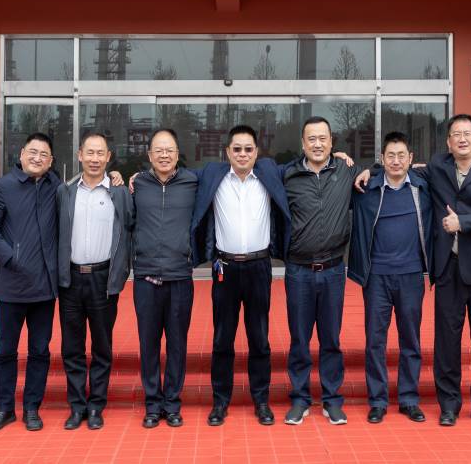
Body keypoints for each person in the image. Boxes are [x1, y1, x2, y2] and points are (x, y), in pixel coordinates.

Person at [356, 114, 471, 427]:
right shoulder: (438, 167)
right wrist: (370, 169)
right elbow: (399, 165)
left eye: (467, 134)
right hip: (447, 268)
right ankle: (449, 404)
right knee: (446, 341)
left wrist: (462, 222)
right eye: (456, 134)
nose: (462, 139)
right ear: (448, 142)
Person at [191, 125, 291, 427]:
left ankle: (261, 400)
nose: (243, 154)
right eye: (237, 149)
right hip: (225, 268)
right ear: (227, 152)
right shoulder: (213, 175)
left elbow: (303, 165)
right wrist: (132, 176)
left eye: (248, 149)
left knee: (259, 338)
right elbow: (175, 174)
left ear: (257, 152)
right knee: (222, 338)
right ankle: (220, 401)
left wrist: (339, 158)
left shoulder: (269, 173)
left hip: (259, 268)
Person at [279, 116, 362, 426]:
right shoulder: (287, 175)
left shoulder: (346, 170)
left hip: (332, 270)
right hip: (298, 270)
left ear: (332, 142)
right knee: (299, 340)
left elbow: (385, 171)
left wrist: (370, 168)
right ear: (303, 143)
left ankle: (331, 400)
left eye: (322, 138)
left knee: (331, 338)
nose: (317, 144)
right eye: (311, 139)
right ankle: (300, 399)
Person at [348, 131, 433, 425]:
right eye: (390, 156)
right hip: (376, 278)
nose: (396, 161)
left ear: (411, 159)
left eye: (401, 155)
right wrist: (367, 170)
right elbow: (341, 174)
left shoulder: (424, 188)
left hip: (411, 275)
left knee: (411, 339)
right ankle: (378, 400)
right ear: (382, 159)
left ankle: (409, 399)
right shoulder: (365, 189)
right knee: (375, 341)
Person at [0, 132, 60, 432]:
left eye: (44, 154)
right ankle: (4, 409)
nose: (37, 158)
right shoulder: (2, 187)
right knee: (6, 350)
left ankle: (31, 408)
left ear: (51, 161)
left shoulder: (56, 187)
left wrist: (116, 177)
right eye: (33, 152)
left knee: (40, 351)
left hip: (45, 287)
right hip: (12, 286)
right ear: (22, 154)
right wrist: (11, 259)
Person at [56, 132, 132, 430]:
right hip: (71, 279)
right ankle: (77, 407)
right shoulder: (65, 192)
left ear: (108, 157)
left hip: (103, 278)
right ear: (79, 155)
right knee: (72, 347)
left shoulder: (119, 193)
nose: (95, 158)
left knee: (102, 346)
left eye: (101, 153)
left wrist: (122, 271)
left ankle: (97, 405)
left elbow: (130, 227)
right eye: (90, 152)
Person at [131, 129, 198, 428]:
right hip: (146, 277)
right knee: (148, 344)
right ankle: (152, 404)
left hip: (179, 276)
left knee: (177, 344)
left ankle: (172, 403)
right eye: (158, 150)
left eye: (169, 149)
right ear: (149, 155)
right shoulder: (137, 185)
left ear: (178, 153)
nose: (164, 155)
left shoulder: (193, 182)